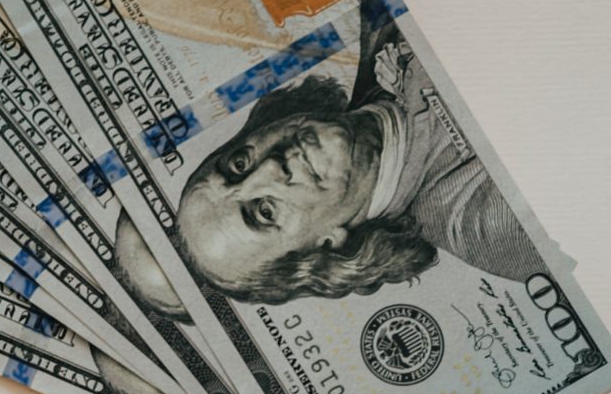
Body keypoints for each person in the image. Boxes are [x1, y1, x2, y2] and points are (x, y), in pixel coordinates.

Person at [167, 34, 545, 306]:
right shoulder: (487, 223)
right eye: (265, 212)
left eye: (238, 164)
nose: (269, 166)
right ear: (329, 246)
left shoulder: (380, 26)